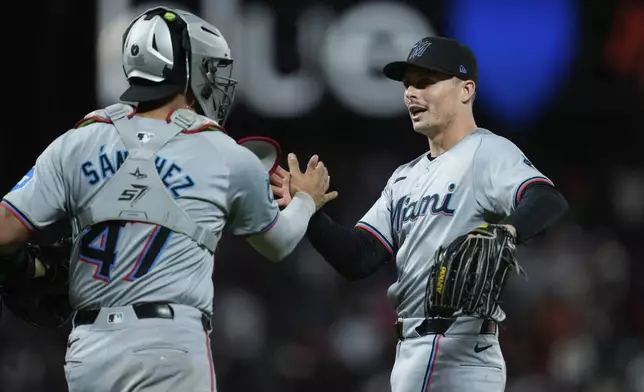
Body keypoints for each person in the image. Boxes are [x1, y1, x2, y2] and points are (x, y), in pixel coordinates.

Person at [0, 6, 335, 392]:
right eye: (211, 68)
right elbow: (278, 244)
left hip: (89, 351)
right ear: (187, 72)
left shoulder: (78, 141)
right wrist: (306, 201)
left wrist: (32, 269)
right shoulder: (224, 153)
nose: (217, 81)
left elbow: (6, 231)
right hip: (170, 346)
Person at [270, 36, 568, 391]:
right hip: (410, 352)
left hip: (463, 354)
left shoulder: (486, 151)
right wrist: (310, 214)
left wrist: (507, 231)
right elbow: (359, 258)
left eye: (426, 82)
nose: (412, 92)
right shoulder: (404, 177)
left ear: (465, 90)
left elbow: (546, 198)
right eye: (408, 83)